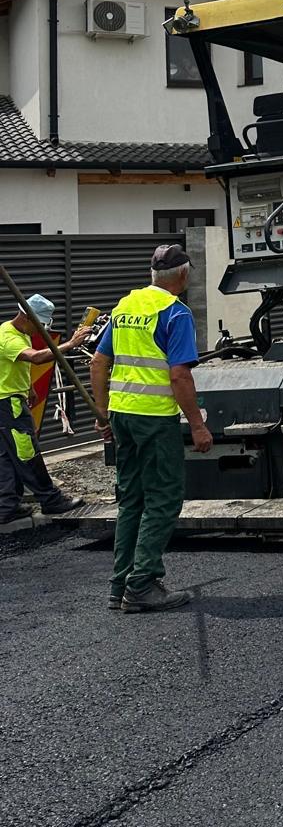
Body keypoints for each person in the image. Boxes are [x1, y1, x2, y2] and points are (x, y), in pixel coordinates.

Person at [90, 244, 213, 613]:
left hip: (122, 415)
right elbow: (179, 375)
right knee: (162, 499)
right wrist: (197, 425)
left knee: (132, 500)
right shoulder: (175, 313)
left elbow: (98, 364)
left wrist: (102, 415)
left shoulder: (124, 308)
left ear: (152, 275)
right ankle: (142, 584)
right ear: (183, 276)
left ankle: (120, 585)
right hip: (154, 419)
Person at [0, 295, 89, 523]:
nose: (41, 331)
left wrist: (28, 387)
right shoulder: (9, 337)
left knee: (6, 457)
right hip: (9, 405)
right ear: (27, 317)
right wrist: (70, 344)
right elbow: (36, 358)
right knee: (27, 453)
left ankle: (6, 506)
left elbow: (14, 365)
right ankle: (51, 500)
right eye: (39, 325)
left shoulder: (20, 333)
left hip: (9, 398)